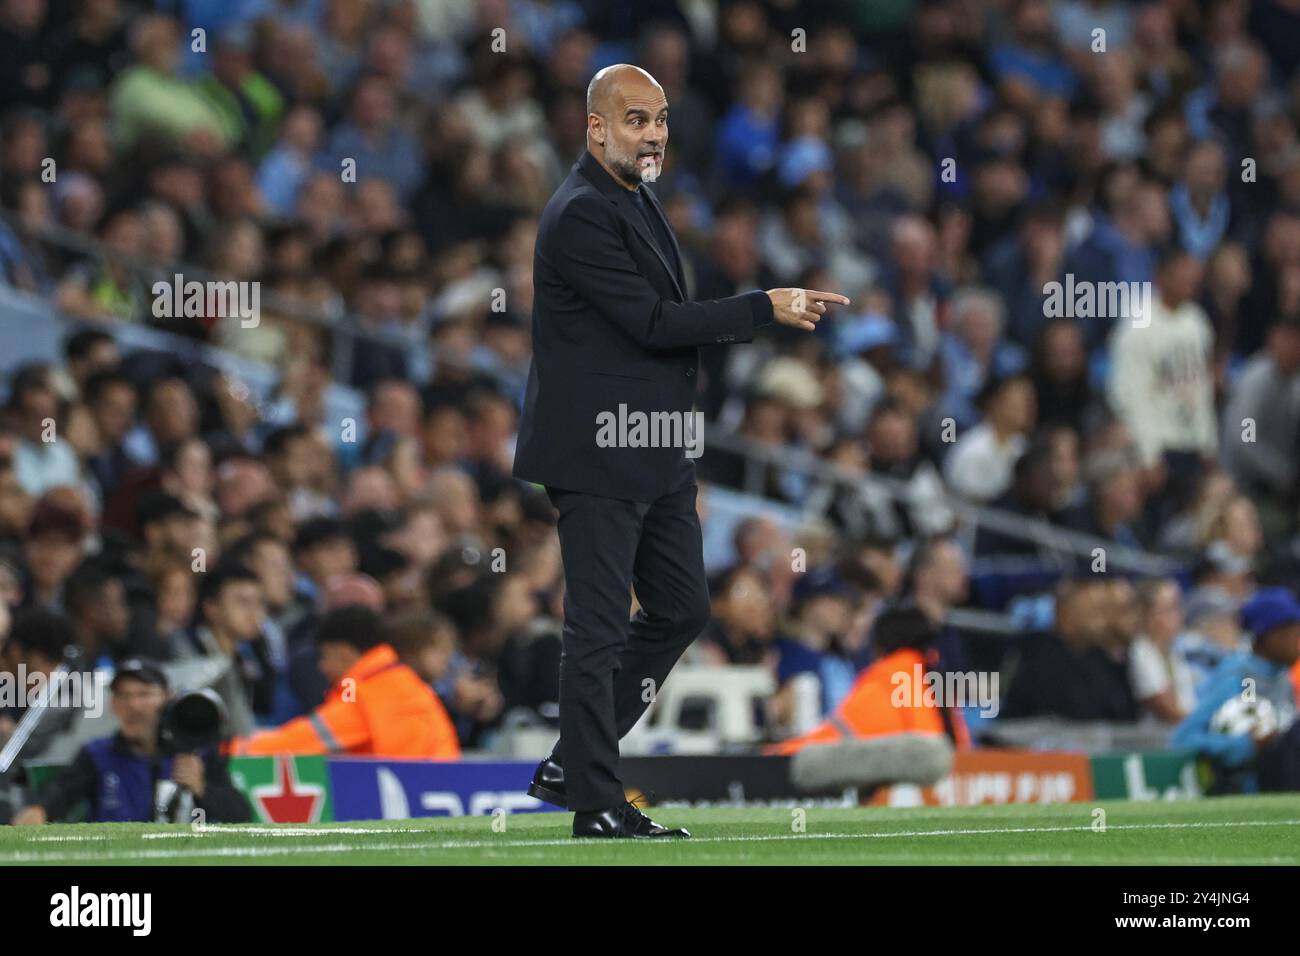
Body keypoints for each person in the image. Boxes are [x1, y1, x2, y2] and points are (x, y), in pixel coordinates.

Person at [512, 64, 850, 839]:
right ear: (596, 128)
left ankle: (573, 758)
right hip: (597, 452)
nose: (654, 132)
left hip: (657, 449)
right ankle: (594, 801)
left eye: (660, 118)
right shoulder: (579, 215)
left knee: (684, 607)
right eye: (635, 119)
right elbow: (655, 324)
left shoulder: (634, 198)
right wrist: (762, 307)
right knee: (596, 627)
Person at [11, 660, 251, 824]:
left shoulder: (195, 752)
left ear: (167, 698)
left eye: (144, 694)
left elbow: (241, 815)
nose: (133, 706)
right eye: (123, 696)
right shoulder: (98, 754)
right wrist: (39, 810)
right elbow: (60, 793)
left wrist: (202, 789)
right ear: (113, 705)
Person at [229, 605, 460, 759]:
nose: (321, 667)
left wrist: (229, 749)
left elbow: (300, 742)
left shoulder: (364, 694)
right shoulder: (405, 682)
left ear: (344, 652)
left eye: (325, 656)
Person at [770, 604, 970, 754]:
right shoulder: (935, 678)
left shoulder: (885, 681)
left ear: (880, 646)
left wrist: (769, 755)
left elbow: (831, 739)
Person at [1171, 587, 1300, 793]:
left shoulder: (1282, 677)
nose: (1298, 641)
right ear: (1270, 635)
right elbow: (1184, 738)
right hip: (1246, 784)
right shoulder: (1238, 676)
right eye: (1294, 632)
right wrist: (1245, 745)